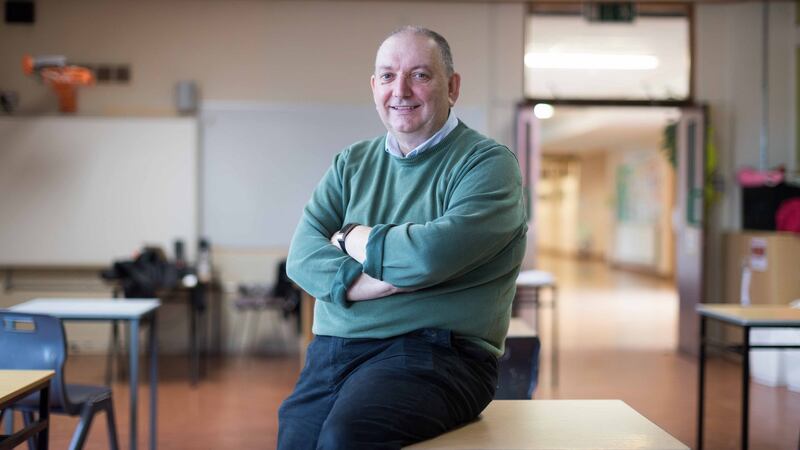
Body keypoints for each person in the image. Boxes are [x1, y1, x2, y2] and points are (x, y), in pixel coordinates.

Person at [278, 26, 527, 450]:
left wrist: (350, 235)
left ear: (452, 86)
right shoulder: (350, 163)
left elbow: (426, 257)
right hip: (333, 351)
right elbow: (301, 256)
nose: (401, 90)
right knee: (296, 439)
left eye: (420, 75)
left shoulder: (488, 165)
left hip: (437, 355)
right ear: (374, 87)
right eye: (388, 76)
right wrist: (372, 280)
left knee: (346, 438)